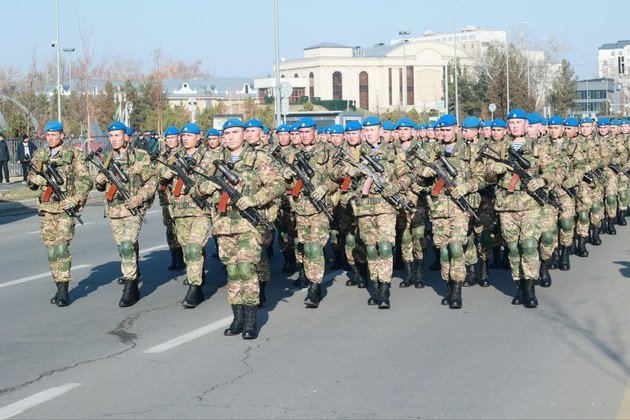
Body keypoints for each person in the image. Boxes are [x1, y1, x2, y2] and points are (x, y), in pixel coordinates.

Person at [195, 118, 284, 339]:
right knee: (233, 272)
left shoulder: (258, 158)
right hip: (224, 226)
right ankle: (237, 318)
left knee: (246, 269)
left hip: (248, 225)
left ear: (245, 135)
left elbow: (278, 184)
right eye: (228, 133)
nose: (231, 136)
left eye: (236, 132)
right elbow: (195, 190)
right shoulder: (215, 161)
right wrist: (209, 185)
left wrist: (254, 199)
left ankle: (251, 321)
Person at [27, 121, 93, 306]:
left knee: (62, 248)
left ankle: (64, 290)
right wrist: (38, 179)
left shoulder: (73, 155)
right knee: (51, 251)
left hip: (65, 208)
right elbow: (30, 180)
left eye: (54, 135)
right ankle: (58, 285)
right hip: (47, 210)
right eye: (48, 135)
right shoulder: (40, 156)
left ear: (62, 135)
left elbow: (86, 180)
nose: (50, 138)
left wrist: (76, 198)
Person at [95, 122, 158, 307]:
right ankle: (133, 277)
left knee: (127, 244)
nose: (113, 139)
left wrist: (139, 198)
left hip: (133, 209)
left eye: (117, 135)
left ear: (126, 137)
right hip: (114, 210)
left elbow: (152, 180)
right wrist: (99, 180)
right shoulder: (107, 158)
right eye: (111, 136)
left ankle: (129, 287)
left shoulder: (140, 156)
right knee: (123, 247)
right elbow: (100, 184)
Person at [157, 123, 213, 308]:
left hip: (200, 210)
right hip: (180, 211)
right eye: (184, 135)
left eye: (190, 135)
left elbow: (213, 179)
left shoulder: (208, 155)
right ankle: (197, 280)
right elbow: (161, 175)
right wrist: (171, 170)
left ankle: (194, 288)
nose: (185, 138)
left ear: (199, 137)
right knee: (188, 251)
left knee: (195, 248)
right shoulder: (175, 155)